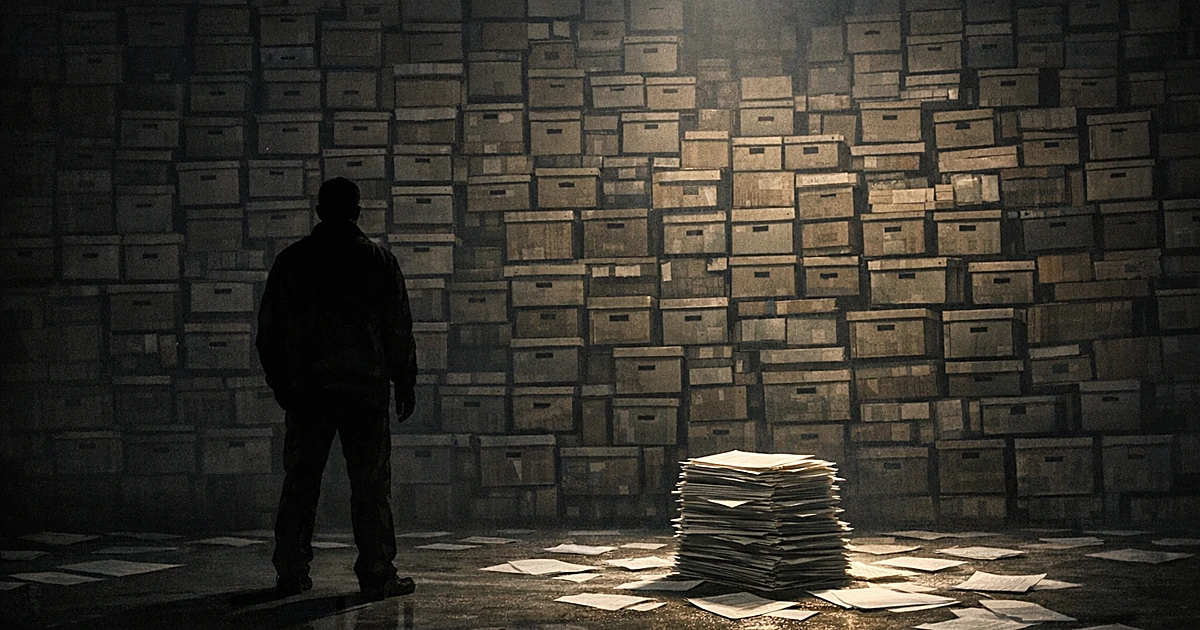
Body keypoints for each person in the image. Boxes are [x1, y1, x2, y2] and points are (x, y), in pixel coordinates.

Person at [256, 177, 418, 600]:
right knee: (370, 487)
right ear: (357, 212)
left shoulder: (292, 262)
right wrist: (404, 381)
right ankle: (377, 573)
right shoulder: (379, 261)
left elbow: (270, 333)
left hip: (309, 392)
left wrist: (283, 385)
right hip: (365, 392)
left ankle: (291, 571)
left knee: (301, 483)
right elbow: (398, 330)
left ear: (319, 211)